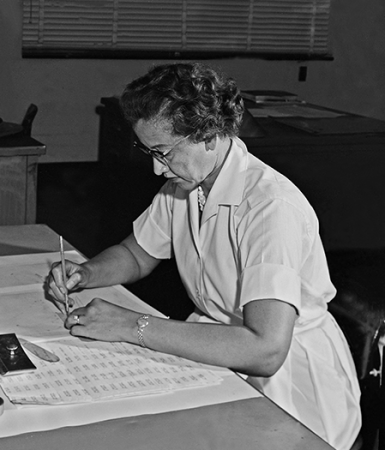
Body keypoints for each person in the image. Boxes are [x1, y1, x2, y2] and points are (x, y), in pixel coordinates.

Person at [47, 62, 361, 450]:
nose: (156, 169)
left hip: (291, 388)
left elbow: (266, 350)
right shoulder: (186, 186)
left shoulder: (270, 208)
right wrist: (86, 272)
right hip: (218, 350)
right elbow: (136, 253)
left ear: (209, 136)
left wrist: (133, 325)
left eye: (163, 153)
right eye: (148, 151)